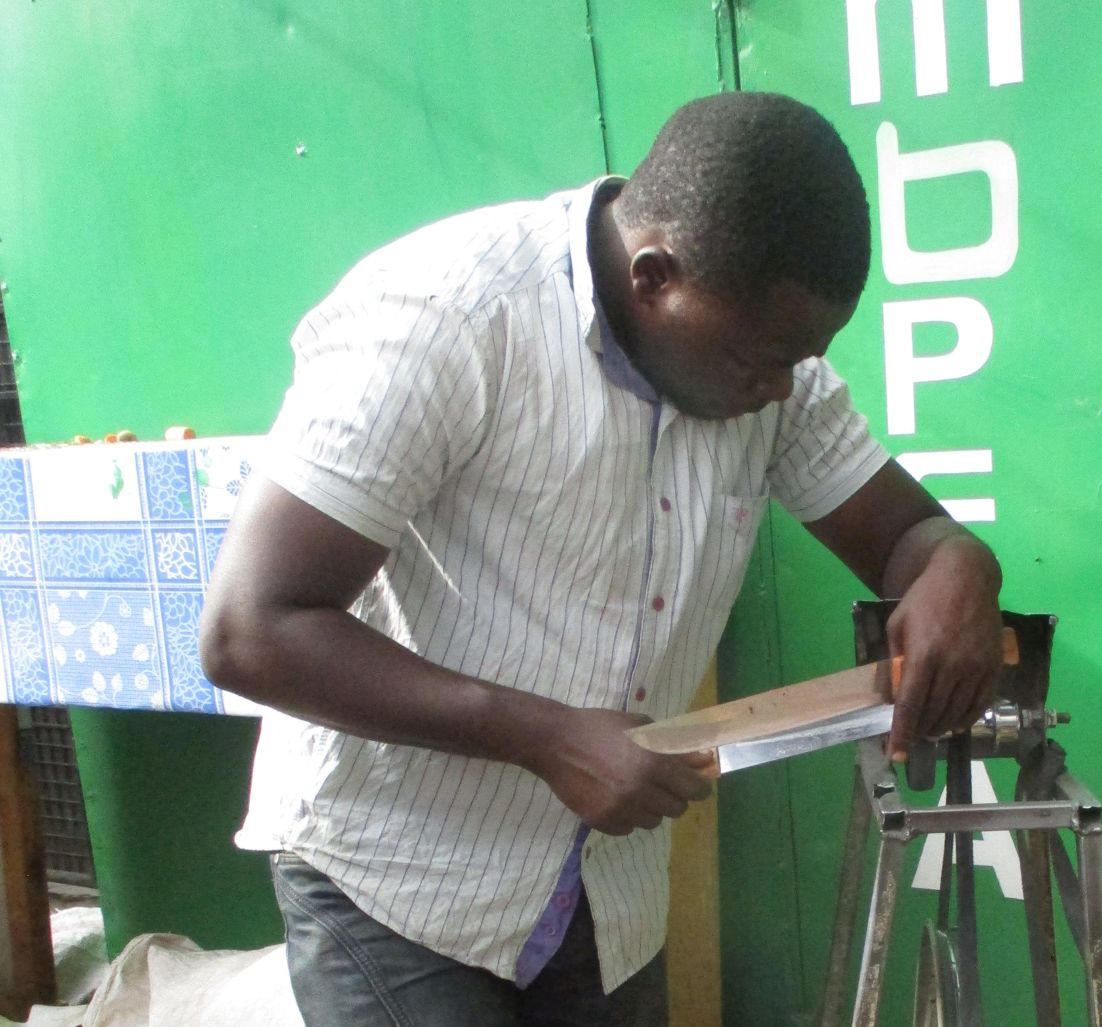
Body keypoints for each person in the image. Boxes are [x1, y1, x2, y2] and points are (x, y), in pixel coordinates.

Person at [200, 91, 1003, 1027]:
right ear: (653, 277)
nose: (782, 389)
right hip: (400, 885)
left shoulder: (762, 367)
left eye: (801, 361)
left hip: (602, 899)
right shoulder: (448, 316)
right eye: (761, 361)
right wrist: (547, 736)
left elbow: (909, 537)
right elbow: (251, 630)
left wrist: (960, 568)